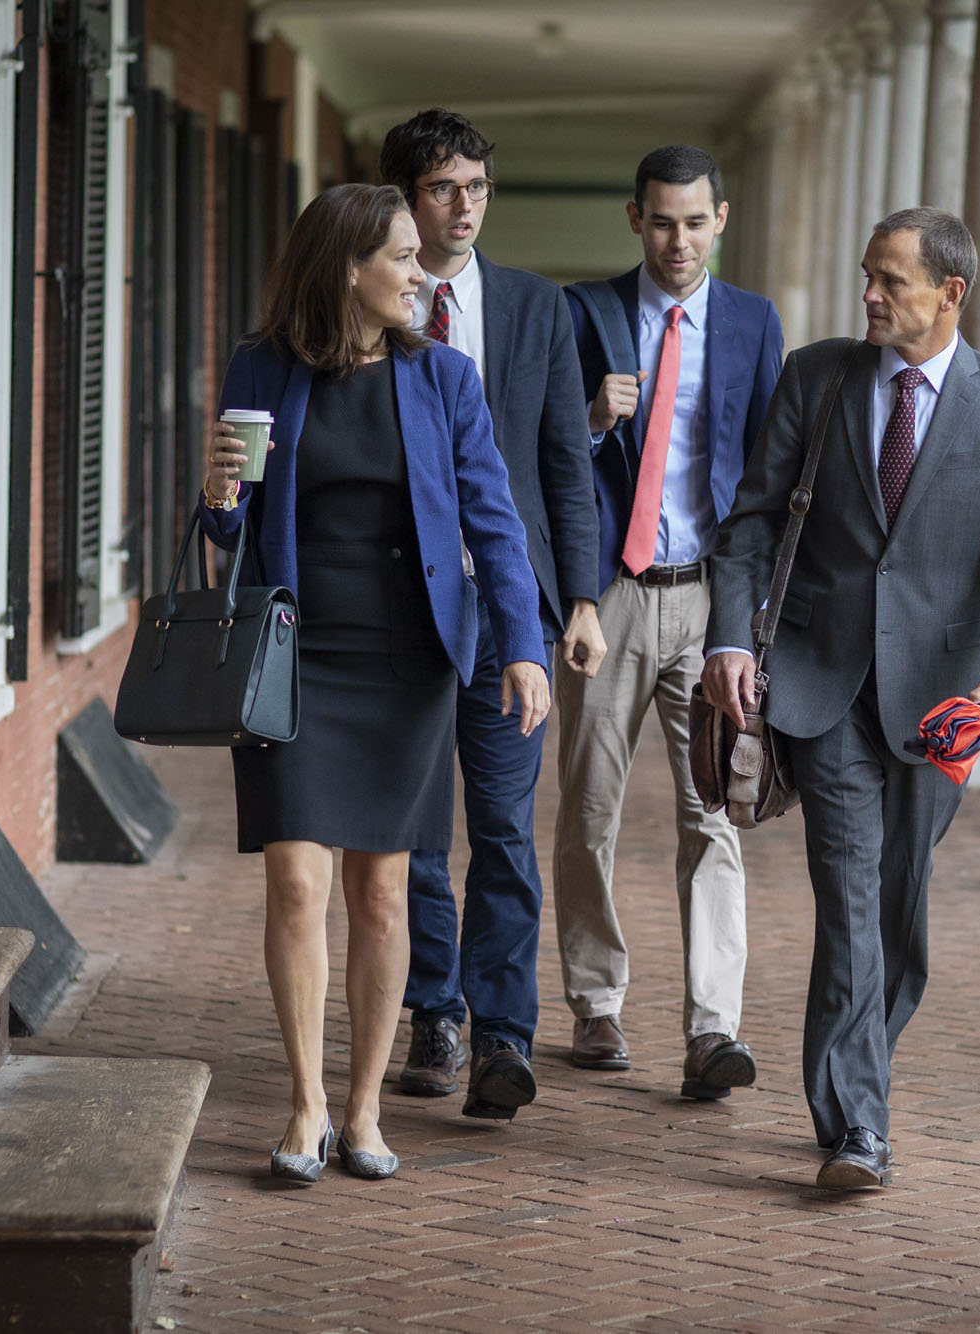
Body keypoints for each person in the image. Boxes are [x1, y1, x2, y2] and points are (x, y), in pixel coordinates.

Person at [701, 208, 980, 1190]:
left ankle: (853, 1062)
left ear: (949, 294)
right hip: (821, 686)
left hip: (942, 702)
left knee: (899, 911)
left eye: (889, 281)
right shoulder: (815, 377)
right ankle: (858, 1122)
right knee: (848, 893)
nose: (868, 294)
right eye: (866, 275)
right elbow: (750, 522)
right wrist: (730, 637)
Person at [199, 183, 551, 1185]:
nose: (418, 270)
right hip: (294, 655)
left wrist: (520, 645)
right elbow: (226, 525)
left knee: (383, 894)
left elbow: (493, 521)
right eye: (400, 255)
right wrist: (217, 486)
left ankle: (363, 1109)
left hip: (407, 662)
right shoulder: (261, 365)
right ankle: (306, 1102)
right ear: (346, 267)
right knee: (296, 880)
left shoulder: (443, 379)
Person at [376, 110, 604, 1122]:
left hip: (512, 613)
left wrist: (582, 600)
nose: (462, 206)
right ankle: (435, 1012)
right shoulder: (370, 307)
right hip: (402, 611)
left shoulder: (532, 308)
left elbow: (564, 462)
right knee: (419, 830)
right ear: (403, 198)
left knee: (504, 828)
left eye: (475, 186)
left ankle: (504, 1032)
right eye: (440, 188)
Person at [554, 145, 783, 1099]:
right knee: (589, 806)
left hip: (710, 597)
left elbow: (768, 477)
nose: (677, 240)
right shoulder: (586, 314)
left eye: (694, 222)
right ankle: (597, 1002)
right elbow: (544, 452)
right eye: (660, 221)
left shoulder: (751, 323)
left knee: (716, 811)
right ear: (634, 218)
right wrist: (592, 417)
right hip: (608, 591)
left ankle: (711, 1028)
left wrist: (753, 618)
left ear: (719, 221)